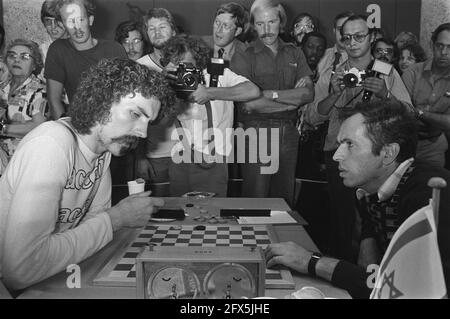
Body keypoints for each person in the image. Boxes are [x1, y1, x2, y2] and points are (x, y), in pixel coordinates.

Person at [0, 58, 175, 291]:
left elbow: (93, 227)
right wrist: (117, 218)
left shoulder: (102, 150)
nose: (143, 133)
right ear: (101, 101)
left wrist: (112, 221)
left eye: (148, 122)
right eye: (135, 114)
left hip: (51, 277)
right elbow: (20, 270)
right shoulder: (51, 144)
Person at [265, 99, 450, 298]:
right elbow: (374, 273)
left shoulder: (430, 197)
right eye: (340, 144)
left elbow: (411, 288)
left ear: (388, 153)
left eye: (349, 145)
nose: (337, 156)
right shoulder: (371, 187)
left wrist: (311, 261)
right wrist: (367, 246)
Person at [307, 14, 412, 262]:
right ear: (341, 41)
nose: (353, 42)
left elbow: (409, 115)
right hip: (339, 154)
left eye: (359, 36)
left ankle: (370, 275)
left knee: (372, 225)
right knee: (343, 220)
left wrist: (386, 94)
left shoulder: (385, 71)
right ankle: (343, 273)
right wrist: (333, 94)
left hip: (377, 158)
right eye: (347, 38)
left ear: (371, 37)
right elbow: (311, 117)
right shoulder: (333, 72)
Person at [231, 0, 314, 207]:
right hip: (255, 133)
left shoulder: (295, 52)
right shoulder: (244, 55)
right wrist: (290, 102)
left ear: (281, 22)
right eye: (260, 23)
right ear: (253, 25)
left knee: (283, 202)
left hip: (289, 133)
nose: (266, 29)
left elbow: (307, 94)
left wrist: (271, 95)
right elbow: (249, 105)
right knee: (255, 201)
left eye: (271, 22)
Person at [161, 34, 259, 196]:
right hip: (180, 158)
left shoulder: (218, 75)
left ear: (198, 62)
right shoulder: (170, 80)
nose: (182, 71)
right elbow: (159, 120)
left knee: (211, 215)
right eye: (176, 65)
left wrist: (210, 92)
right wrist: (165, 85)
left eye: (186, 65)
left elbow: (253, 91)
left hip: (213, 158)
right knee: (179, 214)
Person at [44, 0, 127, 120]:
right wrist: (67, 131)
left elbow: (127, 95)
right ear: (62, 24)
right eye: (69, 21)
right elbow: (53, 100)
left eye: (81, 20)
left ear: (90, 20)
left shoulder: (114, 49)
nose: (77, 28)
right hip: (79, 126)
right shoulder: (58, 50)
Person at [135, 8, 178, 196]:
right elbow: (135, 117)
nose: (157, 32)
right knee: (161, 212)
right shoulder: (140, 68)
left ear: (174, 31)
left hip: (189, 153)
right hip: (156, 153)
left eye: (162, 27)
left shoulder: (190, 61)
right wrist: (140, 157)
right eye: (151, 28)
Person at [401, 23, 450, 168]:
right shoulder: (413, 72)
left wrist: (419, 113)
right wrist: (436, 119)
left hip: (434, 146)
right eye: (440, 46)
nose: (444, 52)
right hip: (405, 142)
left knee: (432, 187)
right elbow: (403, 112)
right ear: (432, 45)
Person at [0, 39, 48, 175]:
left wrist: (4, 129)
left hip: (23, 161)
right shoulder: (3, 87)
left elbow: (38, 127)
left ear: (35, 65)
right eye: (12, 55)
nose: (17, 60)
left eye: (25, 57)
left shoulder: (41, 91)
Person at [316, 11, 354, 78]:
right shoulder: (321, 56)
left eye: (347, 29)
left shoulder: (361, 59)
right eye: (340, 29)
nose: (343, 34)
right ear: (334, 31)